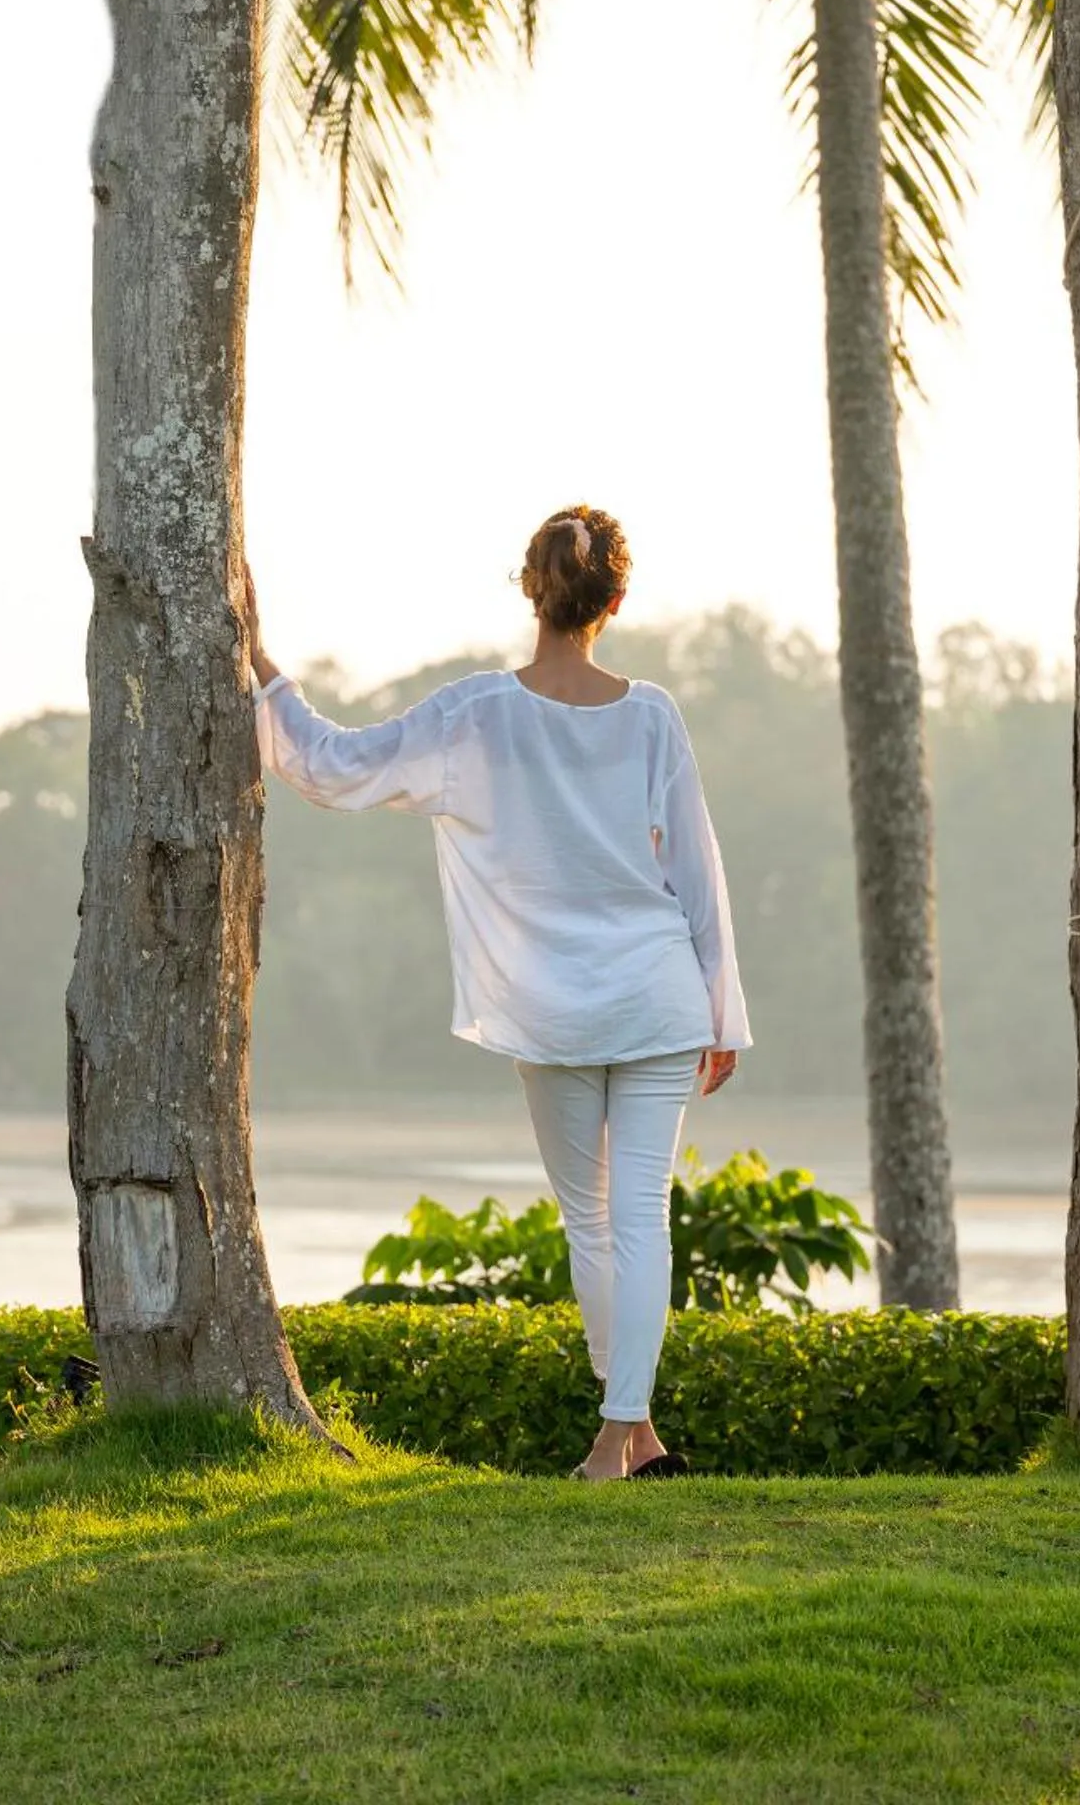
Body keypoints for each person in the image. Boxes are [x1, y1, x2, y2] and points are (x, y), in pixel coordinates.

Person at [244, 504, 751, 1482]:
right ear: (614, 600)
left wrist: (266, 668)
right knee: (638, 1218)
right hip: (658, 991)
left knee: (594, 1221)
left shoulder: (473, 713)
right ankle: (635, 1435)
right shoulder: (650, 713)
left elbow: (335, 767)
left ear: (531, 589)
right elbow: (696, 866)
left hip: (554, 1005)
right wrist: (722, 1009)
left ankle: (613, 1440)